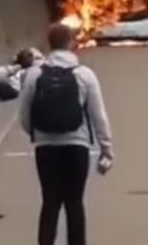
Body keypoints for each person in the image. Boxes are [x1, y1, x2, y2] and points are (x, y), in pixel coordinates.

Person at [20, 23, 114, 245]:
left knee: (50, 202)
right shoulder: (85, 75)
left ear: (49, 44)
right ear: (72, 43)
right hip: (77, 146)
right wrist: (106, 148)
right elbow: (97, 114)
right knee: (74, 202)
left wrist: (38, 133)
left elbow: (24, 114)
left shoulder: (34, 75)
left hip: (45, 148)